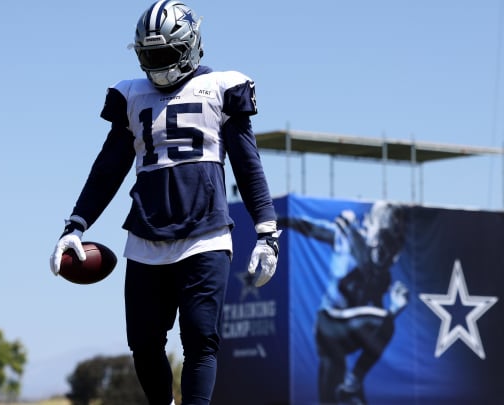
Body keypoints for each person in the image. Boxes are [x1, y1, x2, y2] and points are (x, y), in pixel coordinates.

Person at [49, 1, 279, 404]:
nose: (155, 63)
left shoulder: (222, 88)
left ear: (190, 46)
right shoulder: (131, 96)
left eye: (164, 53)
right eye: (148, 54)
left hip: (204, 235)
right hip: (145, 235)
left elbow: (248, 164)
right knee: (143, 344)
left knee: (200, 341)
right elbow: (108, 168)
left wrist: (266, 231)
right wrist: (76, 224)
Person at [283, 201, 408, 405]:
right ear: (369, 226)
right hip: (330, 322)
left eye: (391, 247)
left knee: (330, 398)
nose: (384, 251)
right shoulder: (350, 237)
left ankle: (351, 385)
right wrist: (280, 220)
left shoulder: (382, 276)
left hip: (341, 338)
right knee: (385, 321)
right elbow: (314, 229)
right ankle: (353, 380)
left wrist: (393, 308)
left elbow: (376, 328)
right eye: (382, 240)